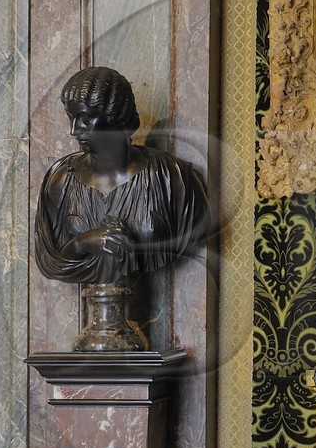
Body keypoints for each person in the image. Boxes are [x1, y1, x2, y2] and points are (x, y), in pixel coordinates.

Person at [34, 66, 211, 338]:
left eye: (85, 119)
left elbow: (195, 227)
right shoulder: (60, 181)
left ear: (116, 119)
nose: (73, 131)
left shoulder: (174, 178)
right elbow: (52, 258)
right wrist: (83, 242)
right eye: (71, 118)